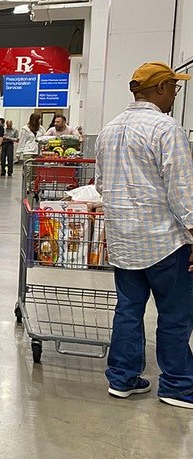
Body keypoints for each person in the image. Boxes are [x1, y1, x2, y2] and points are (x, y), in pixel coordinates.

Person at [95, 61, 193, 409]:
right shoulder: (167, 129)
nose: (175, 96)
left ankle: (122, 378)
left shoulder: (108, 130)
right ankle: (178, 386)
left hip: (124, 241)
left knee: (128, 310)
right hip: (165, 241)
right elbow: (182, 190)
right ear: (162, 88)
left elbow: (102, 186)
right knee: (175, 315)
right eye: (174, 89)